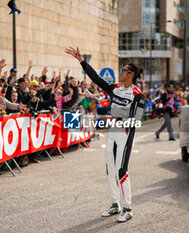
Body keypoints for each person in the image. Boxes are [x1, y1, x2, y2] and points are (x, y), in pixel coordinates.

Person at [65, 46, 145, 222]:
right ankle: (115, 204)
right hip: (112, 133)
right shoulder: (115, 88)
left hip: (125, 134)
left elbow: (137, 120)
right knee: (110, 169)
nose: (121, 71)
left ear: (131, 74)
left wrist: (117, 119)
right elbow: (96, 78)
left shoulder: (138, 95)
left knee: (121, 170)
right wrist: (81, 61)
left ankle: (128, 208)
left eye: (123, 70)